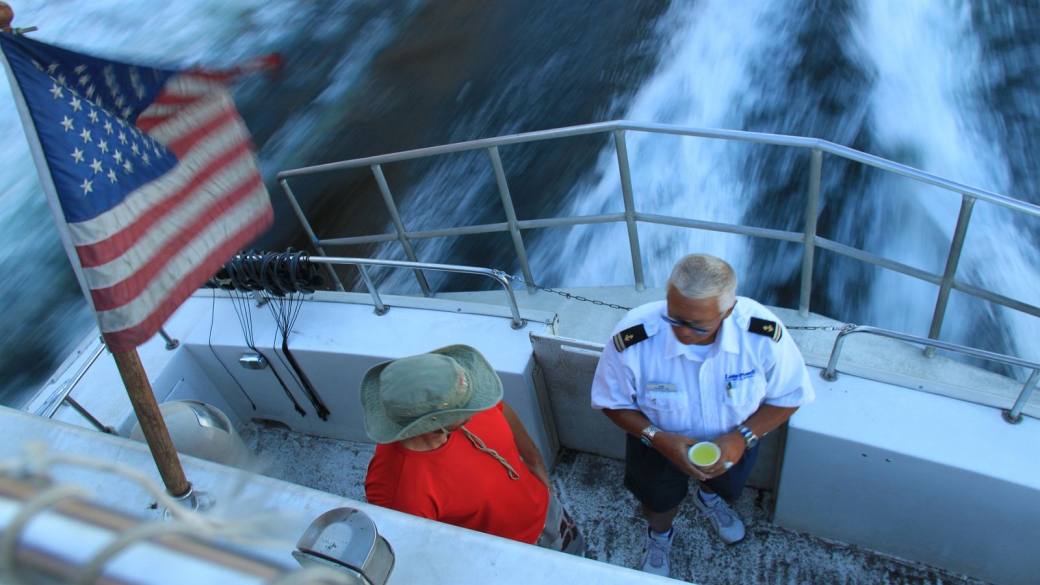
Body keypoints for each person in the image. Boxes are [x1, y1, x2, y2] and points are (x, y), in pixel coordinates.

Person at [591, 254, 814, 577]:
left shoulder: (763, 336)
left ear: (729, 311)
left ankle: (708, 498)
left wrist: (741, 438)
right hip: (655, 445)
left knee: (723, 486)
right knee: (657, 502)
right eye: (674, 317)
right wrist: (659, 439)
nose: (682, 331)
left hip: (735, 444)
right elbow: (610, 401)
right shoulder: (633, 338)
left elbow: (792, 395)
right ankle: (660, 535)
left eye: (697, 324)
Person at [362, 344, 584, 556]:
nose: (478, 403)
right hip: (509, 553)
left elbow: (529, 450)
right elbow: (426, 552)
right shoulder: (397, 491)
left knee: (579, 554)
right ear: (433, 424)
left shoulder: (463, 397)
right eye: (466, 407)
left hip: (549, 512)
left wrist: (547, 489)